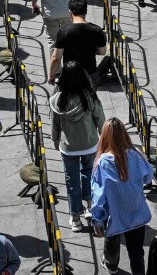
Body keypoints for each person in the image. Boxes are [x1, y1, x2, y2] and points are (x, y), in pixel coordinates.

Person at [90, 118, 156, 275]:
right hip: (137, 212)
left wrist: (97, 220)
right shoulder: (136, 154)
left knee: (112, 240)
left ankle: (111, 266)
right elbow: (148, 177)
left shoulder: (102, 163)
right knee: (136, 253)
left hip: (115, 214)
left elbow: (98, 197)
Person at [50, 60, 107, 231]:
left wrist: (55, 139)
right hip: (90, 144)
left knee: (71, 180)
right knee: (90, 174)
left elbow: (55, 123)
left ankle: (75, 216)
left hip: (69, 147)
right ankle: (90, 206)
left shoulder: (57, 100)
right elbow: (101, 120)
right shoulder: (89, 97)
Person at [48, 0, 111, 85]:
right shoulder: (97, 30)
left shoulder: (64, 32)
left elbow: (56, 58)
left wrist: (51, 76)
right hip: (90, 74)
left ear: (70, 13)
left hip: (69, 75)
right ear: (86, 11)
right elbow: (102, 52)